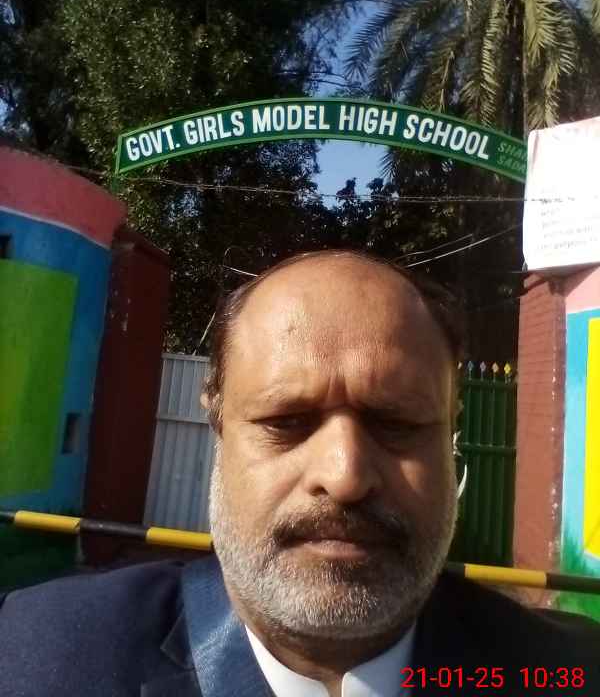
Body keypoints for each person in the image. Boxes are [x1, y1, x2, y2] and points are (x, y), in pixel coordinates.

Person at [0, 249, 598, 697]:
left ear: (450, 435)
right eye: (286, 421)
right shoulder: (37, 658)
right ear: (218, 427)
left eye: (397, 423)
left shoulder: (568, 672)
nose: (345, 476)